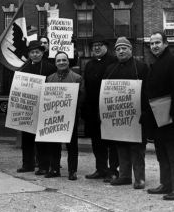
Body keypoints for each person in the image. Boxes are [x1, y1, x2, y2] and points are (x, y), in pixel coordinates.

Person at [143, 32, 174, 200]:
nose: (154, 46)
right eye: (152, 43)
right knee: (161, 151)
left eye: (158, 42)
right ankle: (166, 184)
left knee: (173, 152)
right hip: (158, 116)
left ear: (166, 43)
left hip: (171, 116)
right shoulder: (157, 63)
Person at [103, 37, 148, 189]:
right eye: (118, 49)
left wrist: (145, 112)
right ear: (115, 52)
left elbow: (148, 91)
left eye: (124, 48)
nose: (121, 51)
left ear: (131, 50)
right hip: (118, 116)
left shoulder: (141, 67)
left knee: (137, 148)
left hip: (137, 116)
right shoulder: (110, 69)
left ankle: (140, 178)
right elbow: (105, 94)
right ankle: (124, 176)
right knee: (121, 146)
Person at [15, 40, 56, 174]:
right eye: (32, 52)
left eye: (37, 52)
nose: (35, 55)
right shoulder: (24, 68)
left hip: (44, 108)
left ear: (42, 53)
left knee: (42, 139)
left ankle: (43, 166)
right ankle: (28, 164)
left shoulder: (50, 68)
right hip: (28, 109)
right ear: (29, 54)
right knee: (27, 139)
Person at [82, 35, 119, 182]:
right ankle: (101, 169)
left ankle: (113, 170)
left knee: (111, 142)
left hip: (108, 108)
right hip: (92, 110)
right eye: (94, 45)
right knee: (96, 141)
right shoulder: (90, 64)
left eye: (99, 45)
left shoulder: (114, 62)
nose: (96, 48)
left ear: (106, 46)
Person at [44, 51, 85, 180]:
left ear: (68, 62)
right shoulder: (50, 79)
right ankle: (54, 169)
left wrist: (73, 109)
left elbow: (82, 97)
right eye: (58, 61)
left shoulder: (77, 78)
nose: (61, 62)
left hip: (70, 117)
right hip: (54, 117)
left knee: (72, 145)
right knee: (53, 144)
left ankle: (72, 171)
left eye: (64, 60)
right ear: (55, 63)